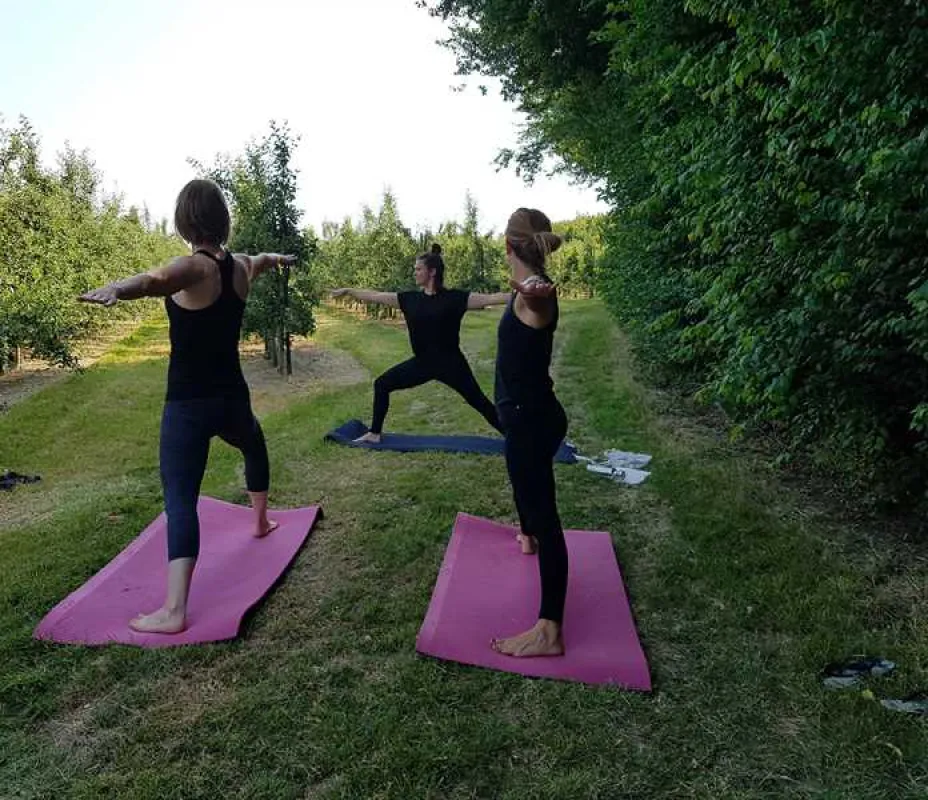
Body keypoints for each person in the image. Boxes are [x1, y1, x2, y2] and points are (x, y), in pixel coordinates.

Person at [79, 178, 296, 634]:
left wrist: (117, 288)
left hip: (188, 405)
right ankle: (260, 522)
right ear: (222, 219)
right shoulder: (239, 266)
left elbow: (156, 280)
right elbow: (263, 260)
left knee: (181, 500)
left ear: (184, 221)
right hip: (232, 397)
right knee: (253, 444)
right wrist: (280, 259)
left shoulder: (194, 268)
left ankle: (175, 611)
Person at [331, 244, 510, 443]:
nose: (414, 273)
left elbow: (492, 298)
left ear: (432, 272)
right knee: (382, 384)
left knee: (480, 402)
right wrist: (348, 290)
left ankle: (515, 439)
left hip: (451, 364)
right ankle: (374, 433)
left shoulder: (454, 299)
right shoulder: (409, 299)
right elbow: (375, 296)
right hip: (422, 364)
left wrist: (524, 293)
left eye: (418, 269)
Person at [490, 208, 569, 658]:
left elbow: (540, 300)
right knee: (525, 493)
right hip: (531, 418)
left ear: (507, 245)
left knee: (547, 517)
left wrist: (538, 291)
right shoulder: (521, 292)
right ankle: (527, 534)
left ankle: (549, 631)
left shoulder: (533, 296)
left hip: (532, 424)